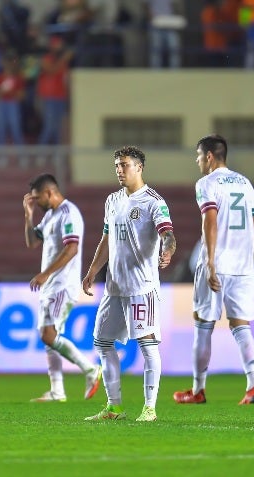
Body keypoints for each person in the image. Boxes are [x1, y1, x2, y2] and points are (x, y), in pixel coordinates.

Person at [81, 146, 177, 422]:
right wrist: (92, 271)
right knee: (102, 342)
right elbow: (106, 240)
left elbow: (168, 234)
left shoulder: (153, 202)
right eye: (116, 166)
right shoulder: (112, 200)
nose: (119, 170)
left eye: (124, 165)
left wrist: (168, 249)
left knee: (147, 345)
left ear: (139, 167)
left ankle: (149, 407)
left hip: (141, 287)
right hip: (114, 287)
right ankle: (115, 407)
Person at [173, 134, 254, 406]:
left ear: (209, 156)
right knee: (241, 325)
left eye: (199, 155)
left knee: (203, 323)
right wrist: (248, 260)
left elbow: (209, 223)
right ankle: (253, 386)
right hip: (243, 267)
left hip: (217, 263)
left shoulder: (207, 183)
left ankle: (198, 390)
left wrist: (211, 263)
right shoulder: (245, 183)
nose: (197, 160)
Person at [23, 173, 102, 403]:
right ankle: (57, 390)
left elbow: (72, 249)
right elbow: (31, 242)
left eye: (37, 198)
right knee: (47, 335)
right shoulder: (49, 216)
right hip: (51, 285)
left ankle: (90, 369)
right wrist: (28, 216)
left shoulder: (69, 213)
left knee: (50, 335)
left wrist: (44, 274)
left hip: (62, 284)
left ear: (49, 192)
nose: (36, 203)